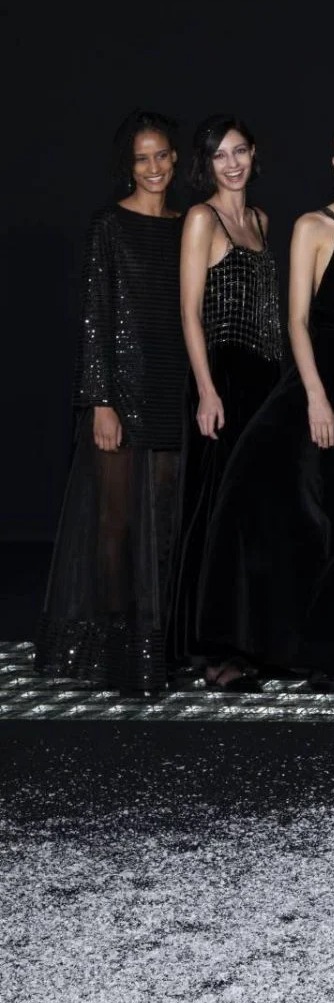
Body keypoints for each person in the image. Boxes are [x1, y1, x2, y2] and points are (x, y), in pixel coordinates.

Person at [196, 123, 334, 693]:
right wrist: (315, 395)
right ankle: (239, 645)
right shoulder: (313, 225)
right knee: (266, 496)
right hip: (321, 374)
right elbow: (296, 321)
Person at [36, 111, 188, 695]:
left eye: (162, 155)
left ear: (176, 159)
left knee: (164, 522)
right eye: (142, 158)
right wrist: (99, 401)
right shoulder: (109, 224)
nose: (154, 167)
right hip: (120, 392)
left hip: (173, 387)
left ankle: (156, 645)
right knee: (114, 524)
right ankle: (114, 649)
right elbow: (95, 316)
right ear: (129, 165)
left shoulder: (188, 224)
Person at [169, 116, 283, 691]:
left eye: (239, 151)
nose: (232, 163)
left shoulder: (260, 220)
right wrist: (207, 389)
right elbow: (189, 312)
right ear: (206, 164)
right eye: (220, 155)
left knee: (254, 514)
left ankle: (250, 639)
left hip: (266, 378)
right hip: (223, 378)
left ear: (254, 153)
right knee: (216, 509)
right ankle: (214, 651)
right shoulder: (202, 218)